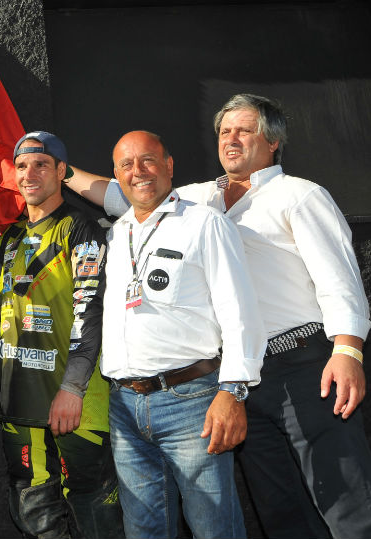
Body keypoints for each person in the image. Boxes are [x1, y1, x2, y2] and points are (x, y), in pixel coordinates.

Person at [65, 95, 371, 538]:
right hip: (238, 377)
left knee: (345, 500)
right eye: (223, 131)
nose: (230, 139)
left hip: (306, 366)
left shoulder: (300, 195)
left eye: (243, 130)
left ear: (273, 141)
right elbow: (125, 194)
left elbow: (340, 278)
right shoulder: (196, 199)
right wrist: (59, 170)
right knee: (280, 509)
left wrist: (348, 350)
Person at [0, 131, 122, 539]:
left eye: (41, 164)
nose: (30, 173)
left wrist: (73, 388)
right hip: (20, 397)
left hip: (74, 397)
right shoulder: (12, 235)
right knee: (31, 504)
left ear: (61, 171)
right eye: (22, 166)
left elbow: (91, 312)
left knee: (90, 500)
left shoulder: (80, 228)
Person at [100, 130, 264, 538]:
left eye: (148, 160)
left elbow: (239, 311)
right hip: (124, 407)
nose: (138, 172)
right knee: (144, 531)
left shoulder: (205, 223)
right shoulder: (117, 234)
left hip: (192, 403)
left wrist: (233, 392)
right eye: (126, 164)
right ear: (116, 175)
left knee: (214, 529)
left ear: (169, 166)